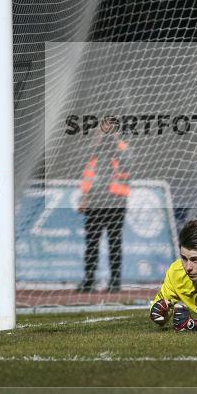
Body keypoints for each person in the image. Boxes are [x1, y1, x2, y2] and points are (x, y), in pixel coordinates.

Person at [77, 117, 130, 293]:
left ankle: (115, 281)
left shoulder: (122, 147)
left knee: (114, 242)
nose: (106, 131)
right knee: (91, 243)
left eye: (110, 128)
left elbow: (127, 165)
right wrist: (84, 198)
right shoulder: (93, 150)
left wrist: (114, 139)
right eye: (103, 128)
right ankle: (89, 280)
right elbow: (86, 173)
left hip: (116, 201)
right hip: (95, 201)